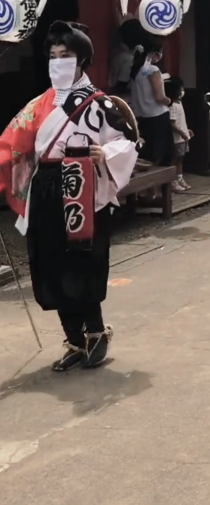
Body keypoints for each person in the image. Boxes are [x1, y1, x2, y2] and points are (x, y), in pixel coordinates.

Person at [0, 21, 138, 370]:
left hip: (82, 187)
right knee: (50, 262)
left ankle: (95, 333)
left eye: (66, 55)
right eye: (53, 55)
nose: (58, 61)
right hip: (46, 188)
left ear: (82, 60)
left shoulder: (99, 103)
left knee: (81, 261)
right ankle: (73, 339)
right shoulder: (38, 104)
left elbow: (127, 141)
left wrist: (104, 153)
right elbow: (11, 144)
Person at [129, 39, 174, 166]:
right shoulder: (152, 70)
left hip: (142, 115)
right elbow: (159, 97)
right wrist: (170, 100)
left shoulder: (136, 71)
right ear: (155, 53)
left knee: (147, 153)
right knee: (165, 154)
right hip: (158, 115)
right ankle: (165, 183)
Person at [166, 76, 193, 192]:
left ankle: (180, 178)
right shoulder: (172, 106)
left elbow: (181, 121)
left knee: (180, 159)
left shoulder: (179, 103)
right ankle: (173, 181)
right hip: (176, 138)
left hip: (182, 137)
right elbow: (172, 123)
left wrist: (187, 130)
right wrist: (182, 132)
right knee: (175, 159)